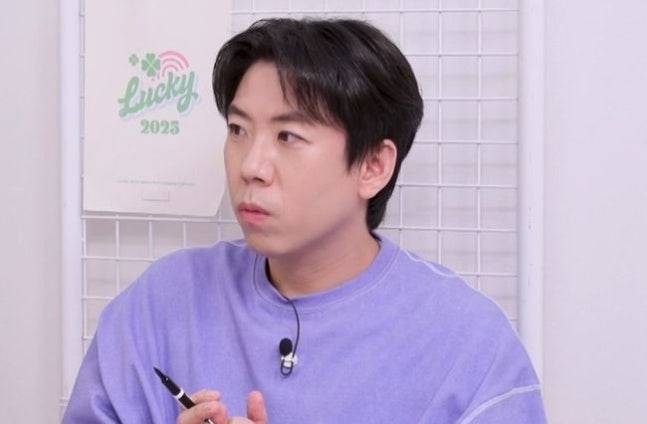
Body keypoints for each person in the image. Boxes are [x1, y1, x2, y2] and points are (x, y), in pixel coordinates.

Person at [63, 18, 546, 423]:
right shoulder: (161, 303)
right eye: (238, 129)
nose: (251, 166)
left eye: (288, 136)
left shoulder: (469, 344)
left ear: (373, 165)